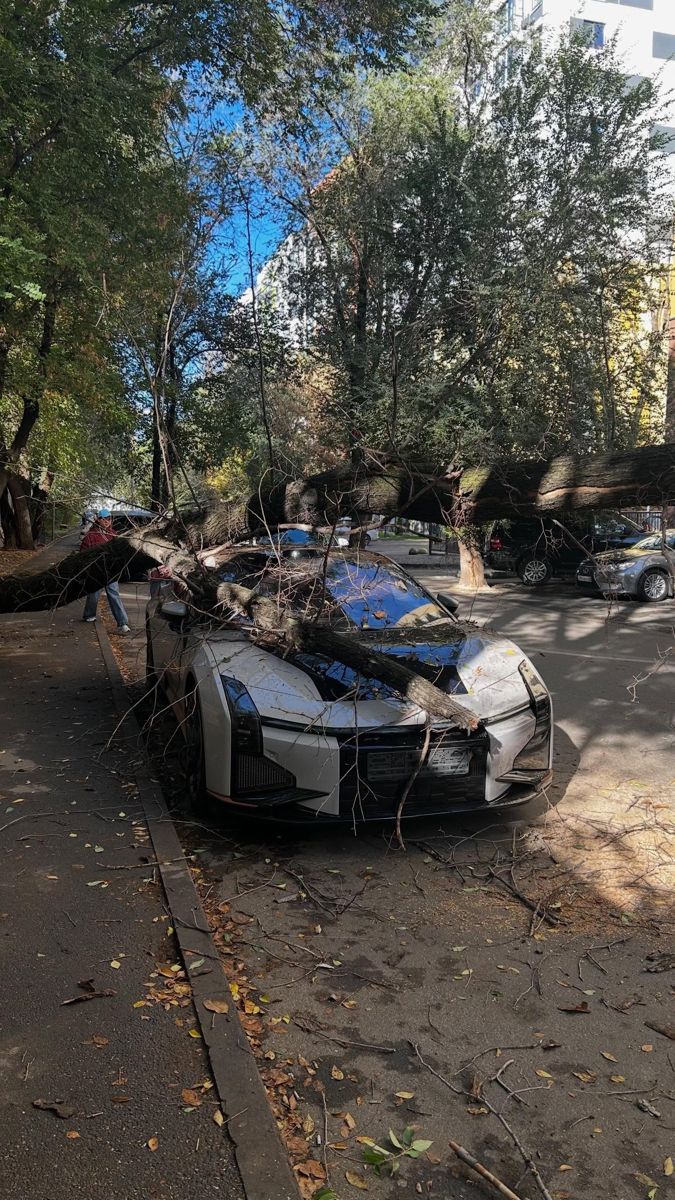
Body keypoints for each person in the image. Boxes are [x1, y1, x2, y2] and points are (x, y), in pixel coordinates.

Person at [80, 509, 130, 634]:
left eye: (109, 519)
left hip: (110, 570)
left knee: (114, 594)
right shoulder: (91, 536)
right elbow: (83, 554)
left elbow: (119, 551)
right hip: (96, 571)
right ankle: (89, 614)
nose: (107, 521)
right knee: (93, 594)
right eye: (104, 519)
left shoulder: (113, 534)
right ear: (98, 520)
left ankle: (122, 623)